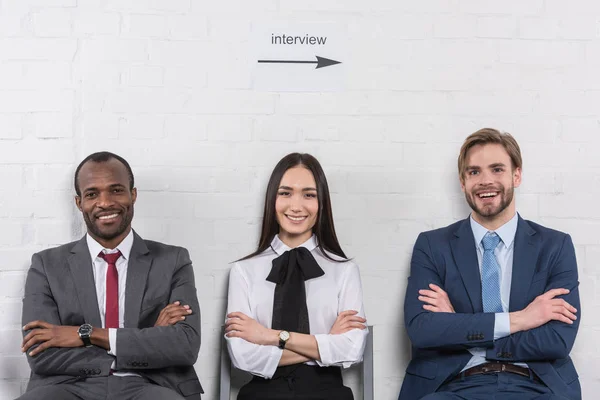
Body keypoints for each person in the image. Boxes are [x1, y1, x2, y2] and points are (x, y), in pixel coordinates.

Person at [399, 129, 581, 400]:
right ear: (462, 182)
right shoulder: (432, 246)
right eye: (474, 172)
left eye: (497, 169)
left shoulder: (555, 246)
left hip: (537, 385)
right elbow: (423, 330)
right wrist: (521, 319)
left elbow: (557, 340)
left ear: (516, 175)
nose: (485, 181)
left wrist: (459, 328)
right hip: (452, 386)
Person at [18, 152, 203, 400]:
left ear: (133, 194)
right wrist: (143, 340)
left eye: (116, 190)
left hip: (151, 385)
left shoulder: (173, 260)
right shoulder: (46, 265)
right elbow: (41, 353)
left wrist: (85, 334)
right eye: (92, 194)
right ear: (78, 202)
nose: (105, 203)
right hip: (68, 386)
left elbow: (184, 346)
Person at [225, 152, 368, 400]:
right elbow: (242, 356)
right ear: (273, 199)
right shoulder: (243, 271)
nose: (296, 205)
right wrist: (324, 343)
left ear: (321, 202)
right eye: (285, 193)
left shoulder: (344, 270)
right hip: (262, 393)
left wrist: (270, 336)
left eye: (309, 195)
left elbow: (352, 349)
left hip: (328, 393)